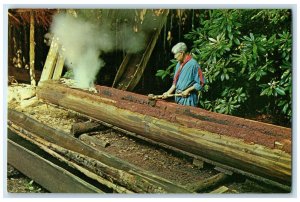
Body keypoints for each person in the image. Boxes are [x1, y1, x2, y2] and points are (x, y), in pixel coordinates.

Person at [162, 42, 205, 107]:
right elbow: (175, 83)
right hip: (178, 98)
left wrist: (188, 90)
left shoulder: (193, 64)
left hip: (189, 99)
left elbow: (201, 82)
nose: (174, 57)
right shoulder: (178, 64)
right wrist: (168, 93)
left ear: (181, 53)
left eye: (175, 54)